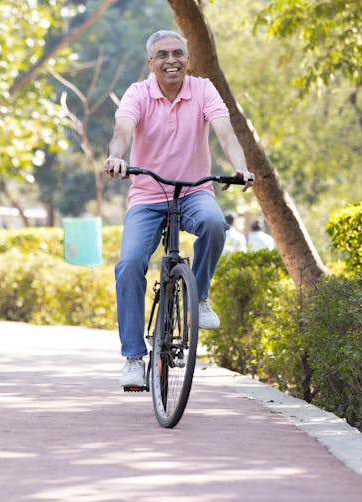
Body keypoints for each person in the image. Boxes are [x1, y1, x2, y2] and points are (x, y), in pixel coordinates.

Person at [104, 30, 254, 389]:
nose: (171, 60)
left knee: (216, 223)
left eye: (177, 53)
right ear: (151, 63)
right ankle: (133, 358)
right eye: (162, 55)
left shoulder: (203, 89)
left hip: (193, 191)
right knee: (128, 266)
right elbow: (122, 130)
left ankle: (198, 298)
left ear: (187, 58)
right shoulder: (138, 93)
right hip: (147, 195)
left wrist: (240, 166)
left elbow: (225, 132)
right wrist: (116, 156)